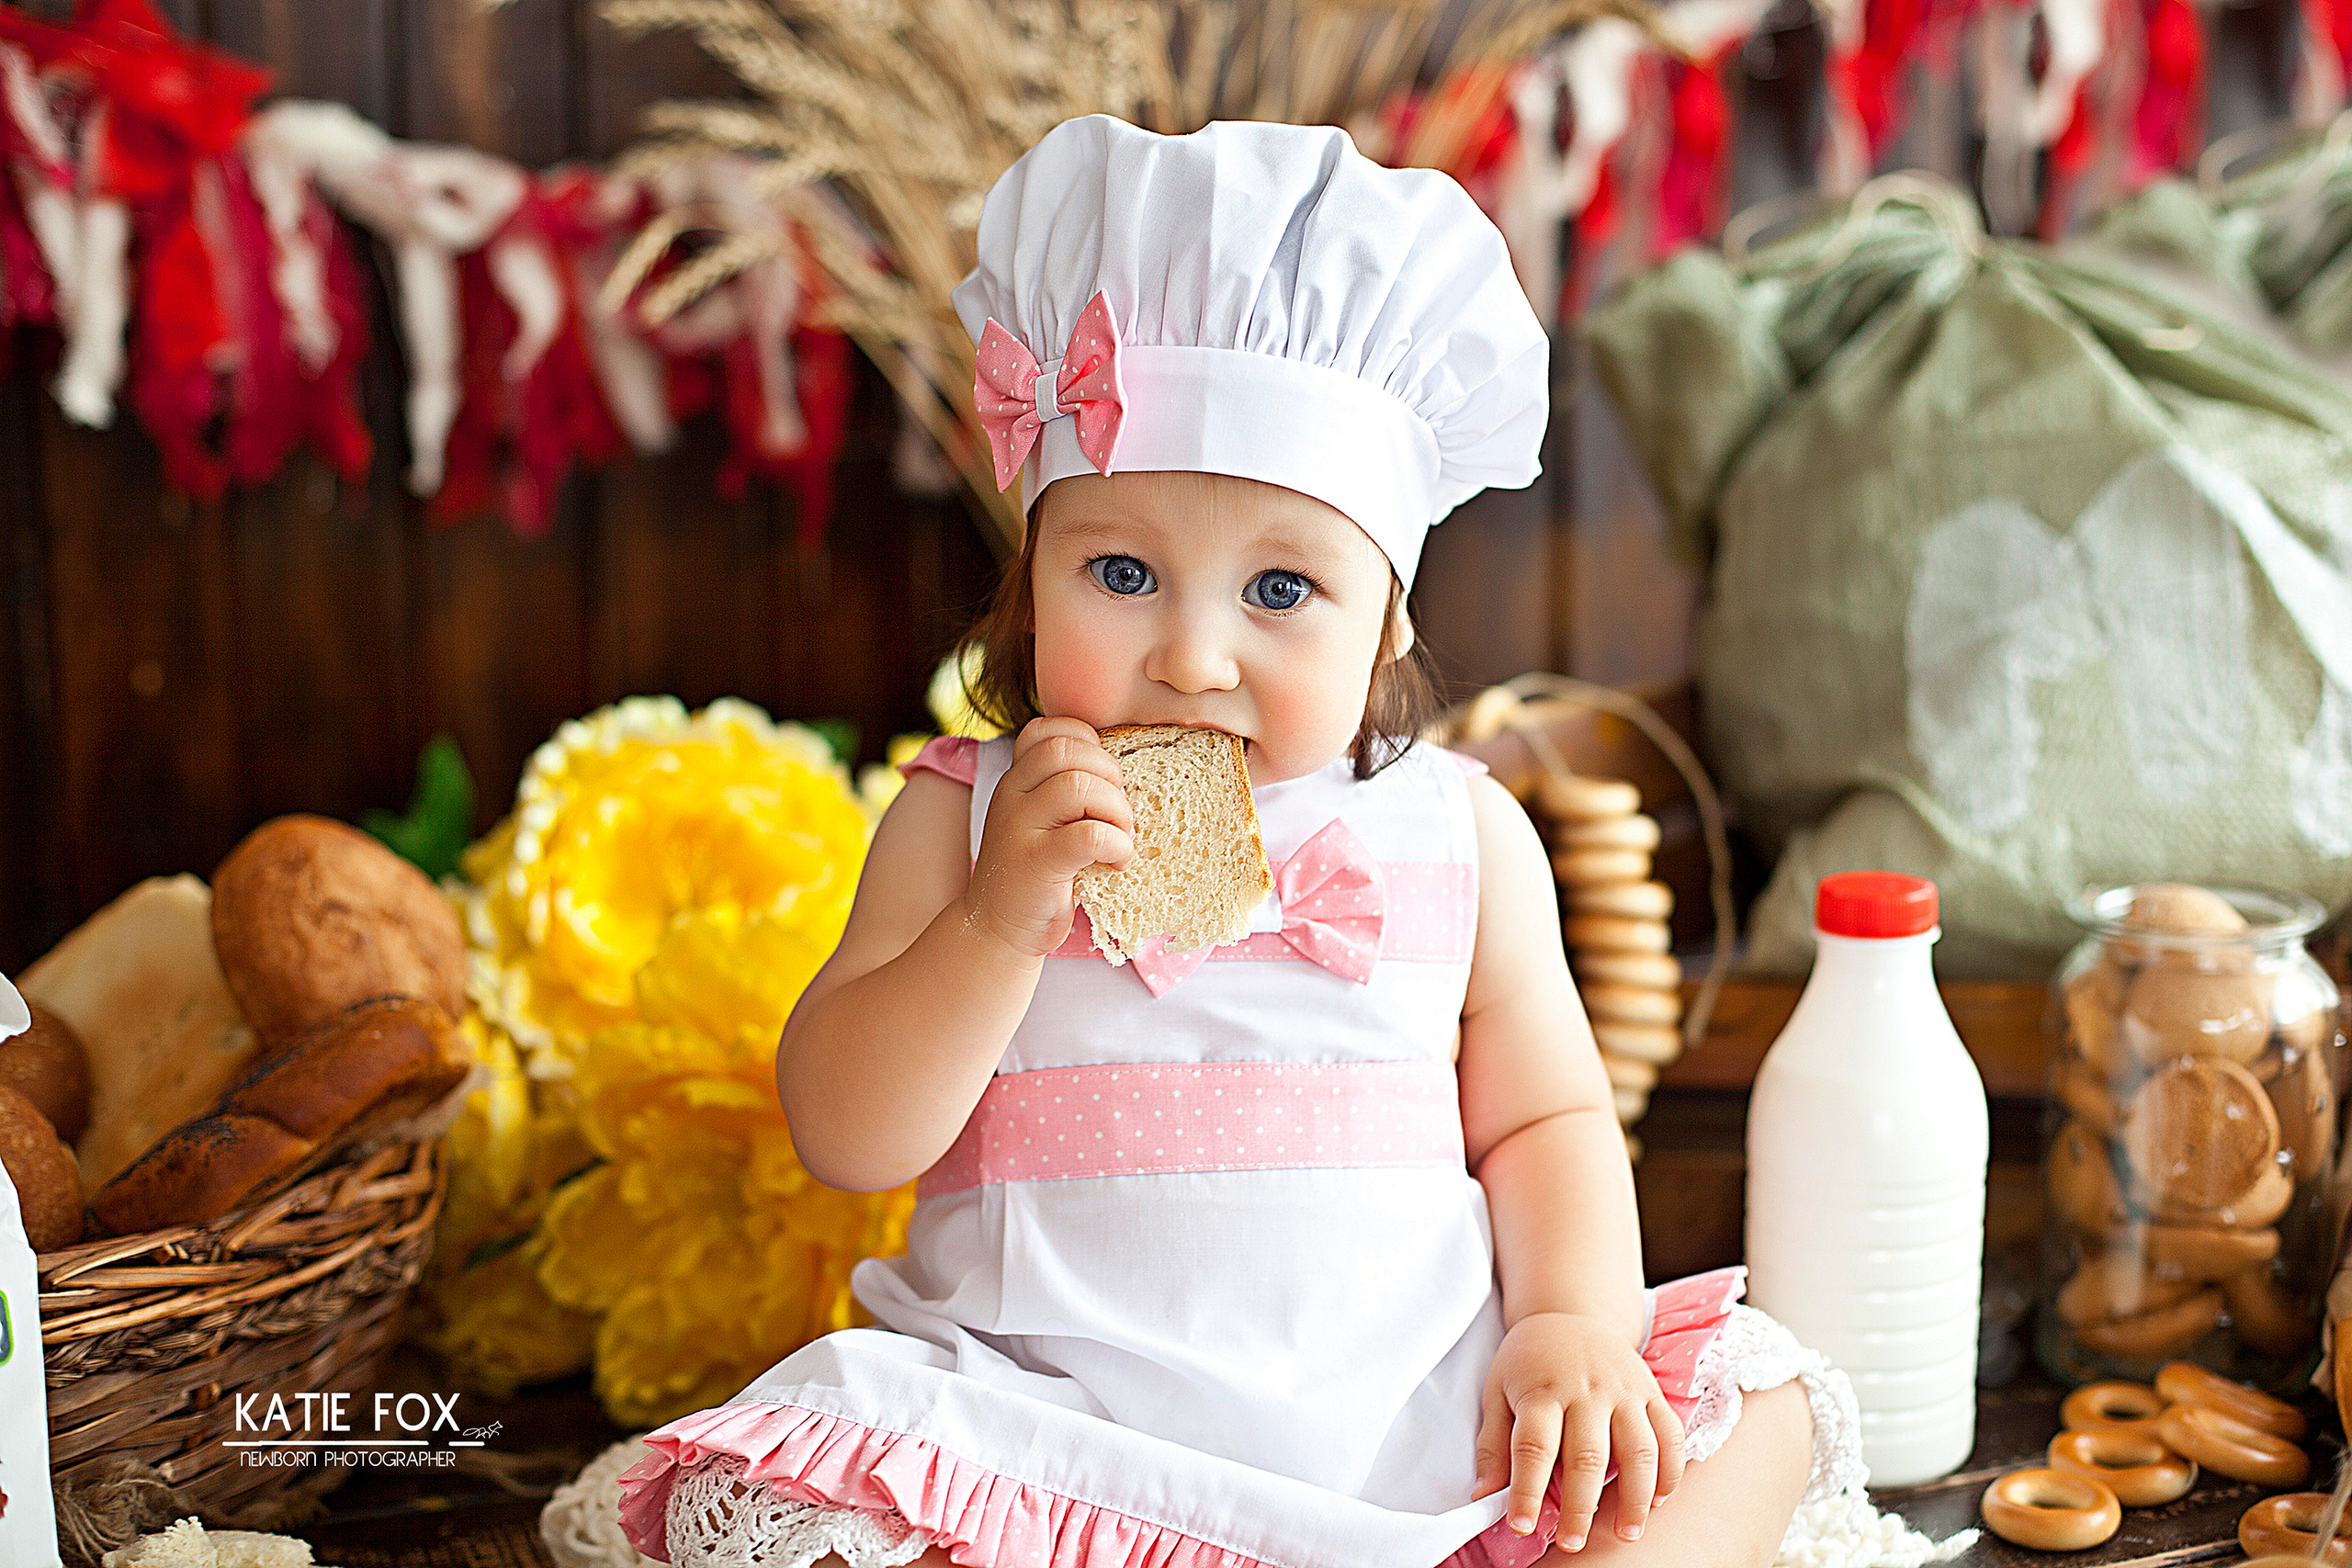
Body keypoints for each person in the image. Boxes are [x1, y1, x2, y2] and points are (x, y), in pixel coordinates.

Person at [616, 115, 1874, 1568]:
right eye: (1125, 573)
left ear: (1389, 620)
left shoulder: (1462, 833)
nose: (1195, 658)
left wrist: (1571, 1329)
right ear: (1031, 584)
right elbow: (850, 1135)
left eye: (1282, 588)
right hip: (1053, 1443)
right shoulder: (963, 817)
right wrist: (998, 924)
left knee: (1754, 1404)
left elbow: (1545, 1122)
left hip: (1413, 1436)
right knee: (808, 1498)